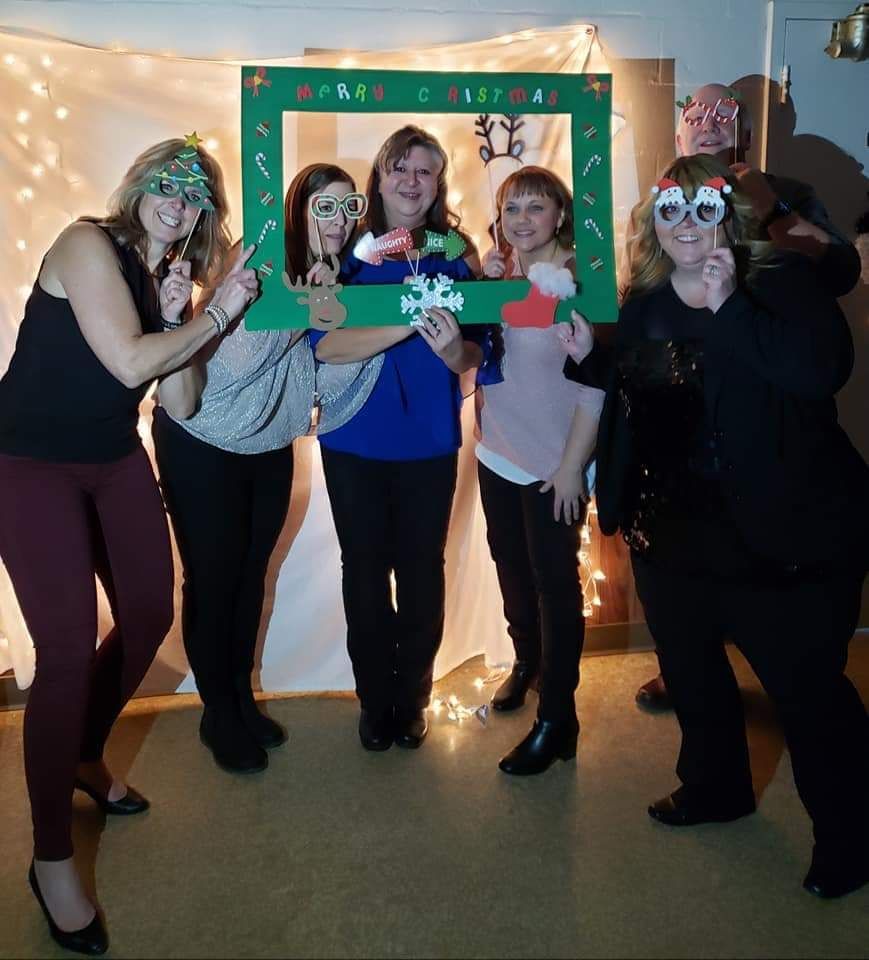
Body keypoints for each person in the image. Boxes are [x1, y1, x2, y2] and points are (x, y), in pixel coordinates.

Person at [566, 154, 869, 898]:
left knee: (806, 693)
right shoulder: (641, 299)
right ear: (653, 223)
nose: (685, 225)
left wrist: (729, 305)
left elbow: (816, 373)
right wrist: (590, 363)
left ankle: (849, 837)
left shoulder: (782, 283)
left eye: (704, 209)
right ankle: (716, 788)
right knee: (695, 680)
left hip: (783, 533)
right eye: (670, 211)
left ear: (729, 218)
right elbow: (649, 390)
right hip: (672, 534)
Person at [0, 136, 256, 954]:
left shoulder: (160, 280)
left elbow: (178, 401)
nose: (177, 201)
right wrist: (218, 312)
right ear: (139, 186)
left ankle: (81, 752)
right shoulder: (85, 243)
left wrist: (184, 314)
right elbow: (122, 364)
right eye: (166, 184)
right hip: (27, 462)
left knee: (148, 613)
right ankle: (49, 860)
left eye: (195, 194)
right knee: (67, 652)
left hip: (111, 459)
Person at [635, 80, 863, 711]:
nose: (708, 123)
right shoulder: (666, 200)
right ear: (679, 133)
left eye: (723, 114)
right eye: (696, 114)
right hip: (692, 439)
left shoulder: (784, 199)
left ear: (745, 134)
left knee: (805, 667)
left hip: (777, 416)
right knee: (686, 590)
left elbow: (841, 270)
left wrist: (766, 211)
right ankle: (687, 671)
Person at [152, 163, 364, 774]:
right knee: (213, 580)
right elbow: (223, 372)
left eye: (349, 209)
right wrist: (306, 310)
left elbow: (321, 373)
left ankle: (238, 696)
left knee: (250, 578)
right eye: (324, 206)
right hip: (201, 436)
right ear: (297, 209)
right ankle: (217, 712)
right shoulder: (259, 259)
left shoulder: (331, 274)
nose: (338, 221)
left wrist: (340, 314)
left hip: (268, 442)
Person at [312, 125, 491, 752]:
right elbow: (325, 345)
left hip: (429, 440)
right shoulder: (345, 250)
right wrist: (406, 321)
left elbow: (477, 351)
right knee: (363, 572)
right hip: (352, 437)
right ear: (379, 178)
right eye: (400, 169)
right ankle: (374, 700)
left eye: (425, 171)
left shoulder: (457, 253)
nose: (412, 182)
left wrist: (452, 351)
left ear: (438, 182)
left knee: (420, 572)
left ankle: (412, 696)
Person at [477, 166, 604, 775]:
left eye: (535, 208)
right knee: (512, 570)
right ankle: (526, 664)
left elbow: (595, 385)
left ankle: (558, 717)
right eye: (511, 209)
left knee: (556, 588)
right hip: (496, 450)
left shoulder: (582, 280)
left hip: (557, 464)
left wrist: (573, 468)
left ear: (560, 216)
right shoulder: (500, 275)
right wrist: (482, 289)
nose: (521, 220)